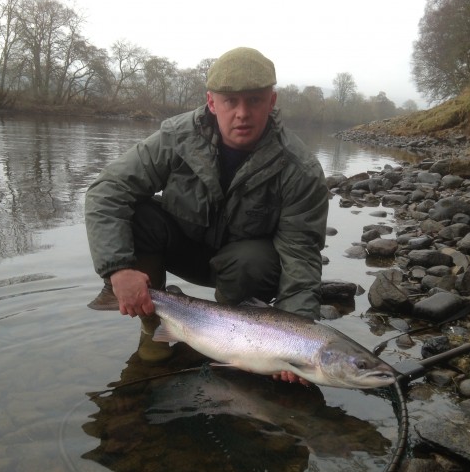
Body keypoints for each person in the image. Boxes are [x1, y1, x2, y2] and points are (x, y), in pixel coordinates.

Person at [85, 47, 328, 384]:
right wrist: (118, 269)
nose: (242, 113)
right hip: (184, 249)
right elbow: (107, 189)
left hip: (243, 270)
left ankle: (235, 343)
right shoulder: (176, 138)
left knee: (250, 259)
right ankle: (155, 326)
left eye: (254, 101)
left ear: (271, 102)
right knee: (139, 216)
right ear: (212, 103)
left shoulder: (300, 170)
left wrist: (299, 341)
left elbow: (301, 256)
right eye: (230, 101)